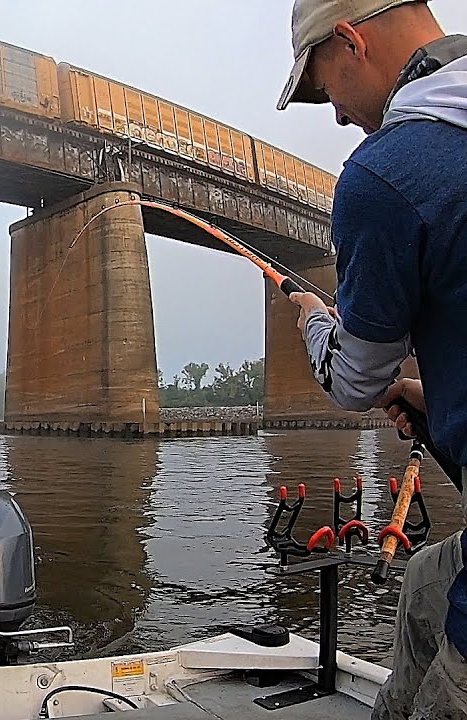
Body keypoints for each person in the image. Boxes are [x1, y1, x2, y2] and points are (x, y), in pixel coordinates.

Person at [277, 0, 467, 717]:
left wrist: (317, 321)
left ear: (351, 41)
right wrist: (433, 396)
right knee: (424, 582)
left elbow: (357, 378)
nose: (335, 116)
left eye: (326, 90)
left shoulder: (386, 174)